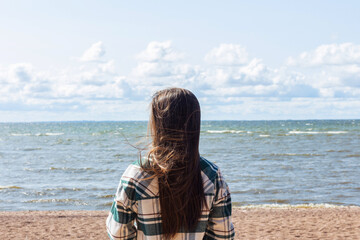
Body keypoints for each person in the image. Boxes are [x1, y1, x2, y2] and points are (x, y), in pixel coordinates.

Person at [106, 88, 235, 239]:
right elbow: (223, 236)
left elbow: (118, 233)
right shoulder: (212, 175)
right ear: (195, 124)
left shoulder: (137, 174)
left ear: (157, 124)